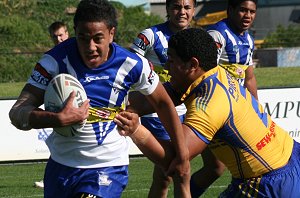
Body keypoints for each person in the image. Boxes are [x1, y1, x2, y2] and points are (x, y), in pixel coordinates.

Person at [9, 0, 189, 197]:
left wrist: (183, 155)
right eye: (83, 38)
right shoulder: (53, 61)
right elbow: (18, 112)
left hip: (107, 167)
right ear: (75, 31)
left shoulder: (132, 64)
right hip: (60, 168)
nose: (90, 46)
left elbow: (163, 102)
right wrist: (56, 119)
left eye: (97, 38)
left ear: (112, 33)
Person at [114, 28, 300, 198]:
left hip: (269, 182)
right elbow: (158, 98)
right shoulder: (213, 73)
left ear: (193, 64)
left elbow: (177, 158)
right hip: (292, 155)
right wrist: (111, 101)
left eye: (171, 60)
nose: (167, 67)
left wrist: (136, 130)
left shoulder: (209, 104)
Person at [189, 1, 259, 196]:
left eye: (252, 12)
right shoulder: (217, 34)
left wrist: (256, 109)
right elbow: (204, 71)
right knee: (244, 162)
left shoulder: (249, 40)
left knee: (216, 168)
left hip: (235, 111)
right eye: (243, 10)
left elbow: (249, 78)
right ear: (231, 10)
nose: (247, 15)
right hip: (214, 111)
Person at [129, 0, 195, 197]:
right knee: (176, 171)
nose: (181, 12)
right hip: (156, 113)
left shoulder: (196, 39)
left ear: (193, 9)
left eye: (187, 7)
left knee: (165, 176)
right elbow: (128, 65)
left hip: (186, 112)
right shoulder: (150, 35)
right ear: (167, 9)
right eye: (176, 7)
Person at [33, 21, 70, 190]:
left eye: (61, 35)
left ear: (68, 34)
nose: (59, 39)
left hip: (77, 105)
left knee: (59, 145)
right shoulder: (50, 58)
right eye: (55, 36)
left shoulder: (77, 53)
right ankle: (53, 179)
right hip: (59, 109)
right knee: (56, 144)